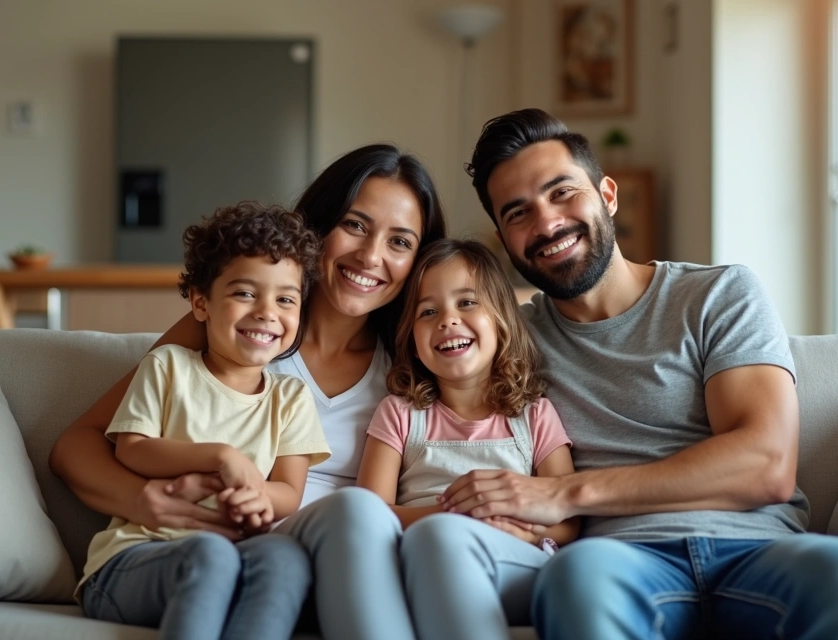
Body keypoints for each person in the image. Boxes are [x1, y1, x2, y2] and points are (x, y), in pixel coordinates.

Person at [437, 108, 838, 639]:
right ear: (502, 236)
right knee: (574, 582)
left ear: (607, 195)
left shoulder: (718, 295)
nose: (546, 223)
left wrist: (567, 493)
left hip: (759, 551)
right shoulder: (506, 341)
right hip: (616, 564)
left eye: (561, 192)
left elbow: (766, 464)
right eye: (517, 213)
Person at [50, 144, 447, 640]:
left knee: (350, 516)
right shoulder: (238, 330)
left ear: (418, 262)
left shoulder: (417, 361)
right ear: (317, 229)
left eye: (400, 242)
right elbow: (75, 446)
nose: (371, 256)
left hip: (323, 562)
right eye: (355, 225)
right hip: (213, 554)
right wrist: (145, 502)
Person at [77, 203, 330, 639]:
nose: (267, 312)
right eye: (245, 293)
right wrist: (220, 456)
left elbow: (289, 491)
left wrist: (256, 498)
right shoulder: (167, 366)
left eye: (285, 299)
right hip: (134, 559)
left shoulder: (290, 398)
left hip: (232, 557)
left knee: (285, 559)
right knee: (210, 555)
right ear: (200, 303)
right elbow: (131, 448)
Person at [356, 239, 579, 640]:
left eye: (467, 303)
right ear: (411, 337)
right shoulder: (401, 413)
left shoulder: (534, 415)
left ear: (501, 320)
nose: (447, 320)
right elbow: (368, 514)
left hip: (513, 559)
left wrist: (527, 534)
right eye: (428, 311)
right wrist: (451, 519)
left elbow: (569, 520)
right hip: (424, 558)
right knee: (437, 543)